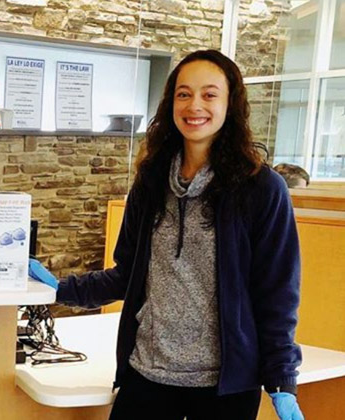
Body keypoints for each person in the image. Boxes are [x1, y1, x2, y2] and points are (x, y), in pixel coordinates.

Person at [30, 50, 304, 420]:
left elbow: (277, 293)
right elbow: (128, 275)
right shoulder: (151, 180)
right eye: (183, 94)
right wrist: (61, 289)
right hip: (147, 376)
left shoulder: (261, 188)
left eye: (209, 95)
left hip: (225, 389)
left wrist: (282, 380)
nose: (195, 106)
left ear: (231, 105)